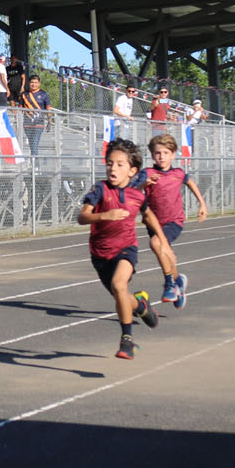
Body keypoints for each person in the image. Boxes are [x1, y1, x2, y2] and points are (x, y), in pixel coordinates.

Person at [78, 138, 167, 362]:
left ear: (132, 170)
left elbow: (148, 215)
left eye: (119, 164)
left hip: (126, 248)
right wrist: (104, 215)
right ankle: (142, 306)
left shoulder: (137, 195)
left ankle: (127, 340)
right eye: (110, 163)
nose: (113, 168)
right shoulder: (100, 189)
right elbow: (82, 217)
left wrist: (163, 240)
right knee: (122, 296)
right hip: (100, 254)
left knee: (119, 284)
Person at [145, 133, 208, 309]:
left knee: (156, 243)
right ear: (152, 155)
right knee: (164, 253)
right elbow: (135, 187)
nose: (161, 157)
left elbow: (190, 183)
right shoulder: (148, 173)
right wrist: (145, 183)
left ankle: (169, 284)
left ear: (173, 155)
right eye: (158, 153)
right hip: (153, 222)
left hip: (174, 221)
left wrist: (202, 203)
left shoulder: (178, 173)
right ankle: (178, 281)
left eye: (165, 153)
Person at [20, 72, 51, 157]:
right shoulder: (24, 94)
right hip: (27, 124)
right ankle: (34, 164)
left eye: (36, 82)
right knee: (32, 145)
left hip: (38, 123)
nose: (34, 84)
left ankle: (35, 166)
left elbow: (48, 108)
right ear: (29, 83)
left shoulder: (44, 94)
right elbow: (20, 109)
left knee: (35, 144)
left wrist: (50, 121)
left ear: (39, 83)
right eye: (32, 82)